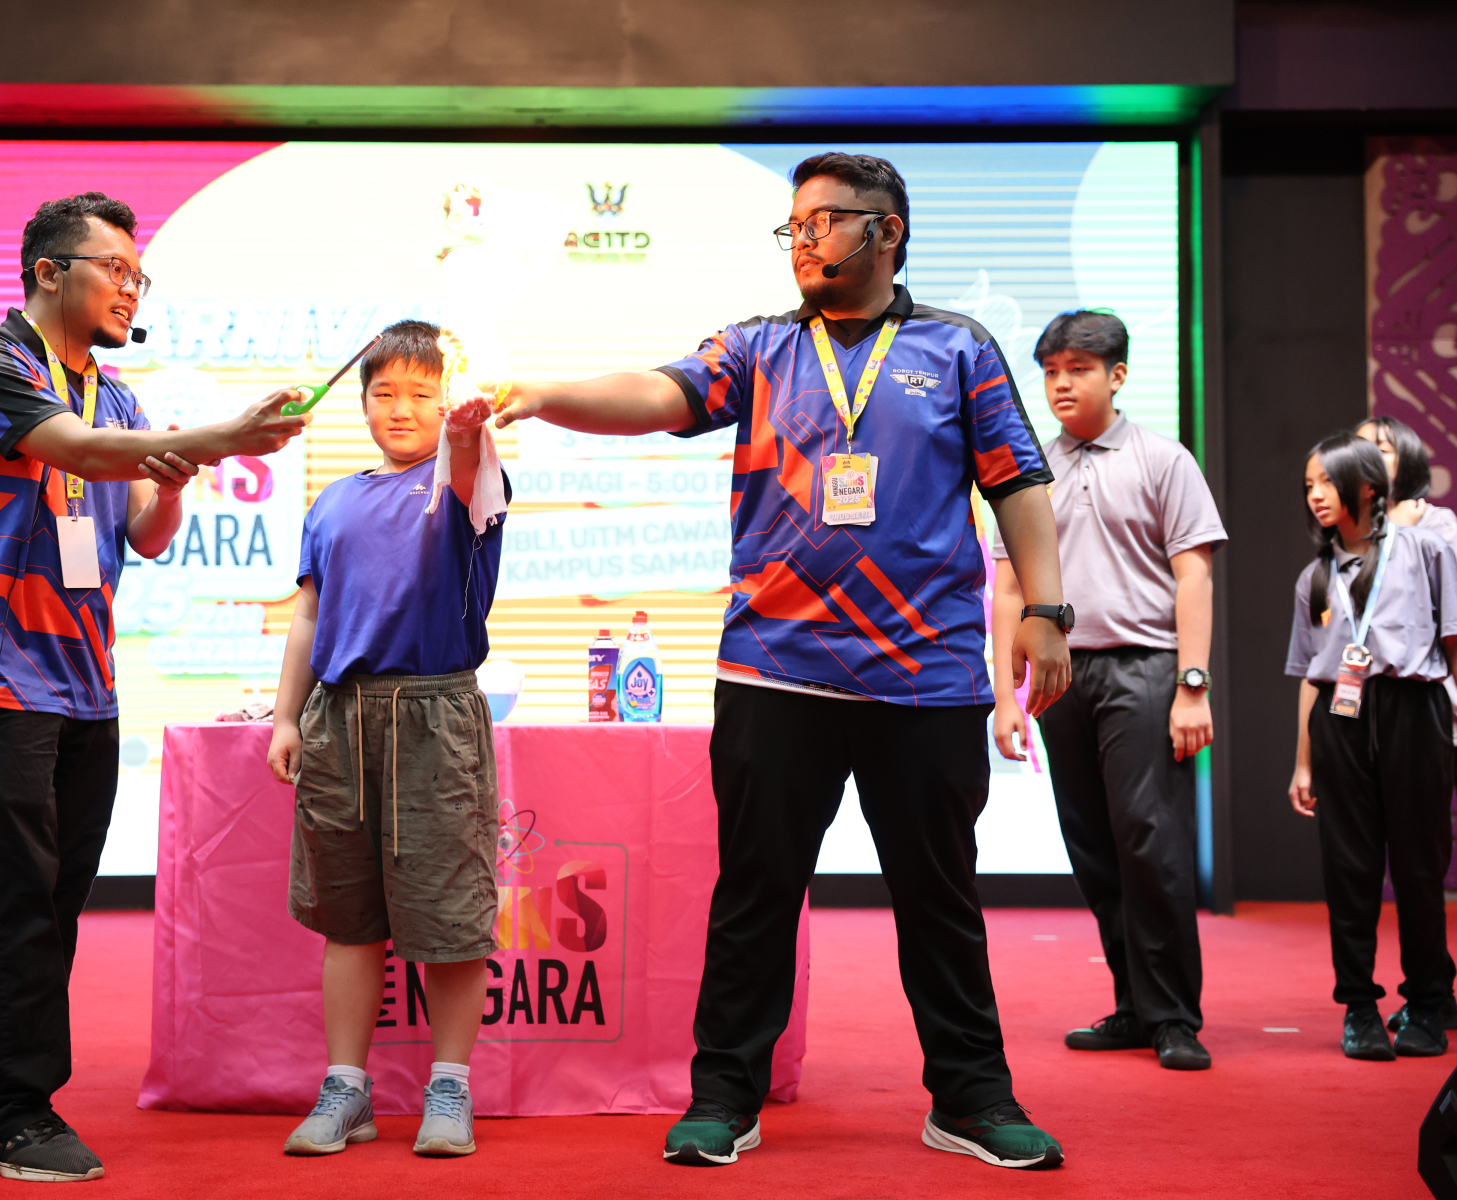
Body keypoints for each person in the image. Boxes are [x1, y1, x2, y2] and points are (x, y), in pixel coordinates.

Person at [492, 153, 1071, 1170]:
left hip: (926, 675)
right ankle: (724, 1095)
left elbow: (1017, 481)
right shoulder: (758, 347)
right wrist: (546, 394)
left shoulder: (959, 347)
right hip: (774, 668)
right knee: (756, 894)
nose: (803, 240)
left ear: (888, 232)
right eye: (794, 225)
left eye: (826, 221)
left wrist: (1047, 611)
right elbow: (658, 392)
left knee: (940, 897)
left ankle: (973, 1098)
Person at [0, 192, 306, 1183]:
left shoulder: (119, 398)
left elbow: (144, 533)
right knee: (11, 907)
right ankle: (9, 1113)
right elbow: (75, 451)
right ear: (50, 273)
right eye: (116, 270)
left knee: (51, 908)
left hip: (84, 684)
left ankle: (4, 1105)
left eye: (140, 274)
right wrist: (223, 436)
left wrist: (171, 482)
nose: (133, 289)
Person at [266, 319, 507, 1159]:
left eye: (422, 394)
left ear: (447, 403)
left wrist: (469, 429)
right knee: (350, 919)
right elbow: (308, 617)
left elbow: (467, 458)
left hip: (435, 720)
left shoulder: (465, 480)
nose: (401, 409)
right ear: (362, 402)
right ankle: (347, 1088)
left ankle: (451, 1087)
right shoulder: (332, 501)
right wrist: (287, 716)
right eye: (384, 393)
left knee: (450, 916)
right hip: (339, 720)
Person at [991, 311, 1226, 1071]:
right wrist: (1005, 696)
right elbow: (1007, 587)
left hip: (1145, 667)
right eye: (1051, 371)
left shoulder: (1163, 458)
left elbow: (1194, 575)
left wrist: (1193, 684)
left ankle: (1174, 1016)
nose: (1061, 384)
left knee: (1150, 842)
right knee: (1093, 846)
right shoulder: (1030, 470)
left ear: (1117, 375)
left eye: (1079, 369)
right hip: (1062, 677)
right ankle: (1133, 1006)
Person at [1285, 432, 1457, 1061]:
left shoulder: (1427, 549)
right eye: (1308, 486)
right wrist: (1303, 762)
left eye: (1326, 482)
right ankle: (1359, 1006)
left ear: (1367, 486)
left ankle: (1429, 1001)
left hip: (1416, 710)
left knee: (1419, 867)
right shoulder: (1314, 577)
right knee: (1349, 869)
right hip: (1341, 719)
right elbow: (1311, 676)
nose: (1315, 495)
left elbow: (1453, 642)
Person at [1357, 415, 1457, 548]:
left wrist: (1401, 531)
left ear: (1407, 460)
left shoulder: (1436, 523)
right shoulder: (1345, 524)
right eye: (1358, 452)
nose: (1366, 458)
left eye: (1382, 450)